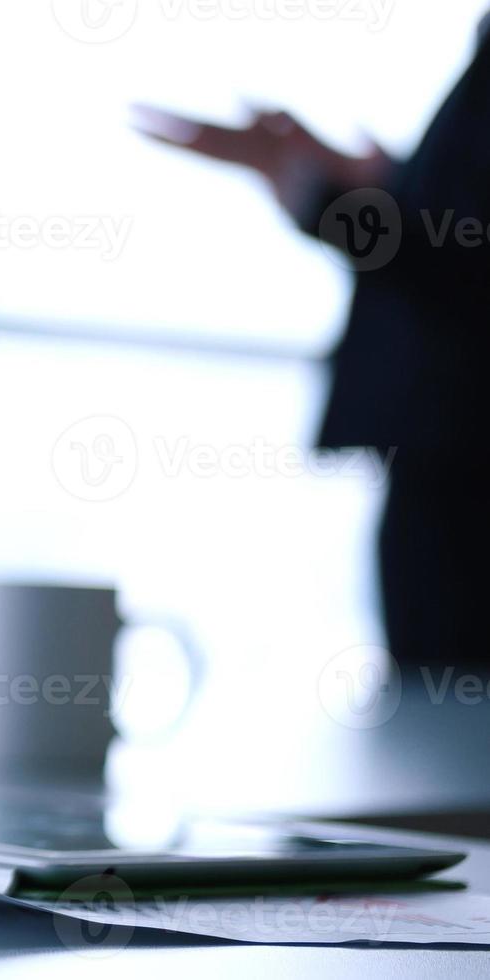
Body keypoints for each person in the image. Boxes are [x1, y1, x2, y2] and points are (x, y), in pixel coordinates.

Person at [137, 22, 490, 667]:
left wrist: (319, 197)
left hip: (463, 472)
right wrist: (377, 176)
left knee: (445, 713)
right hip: (444, 461)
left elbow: (462, 258)